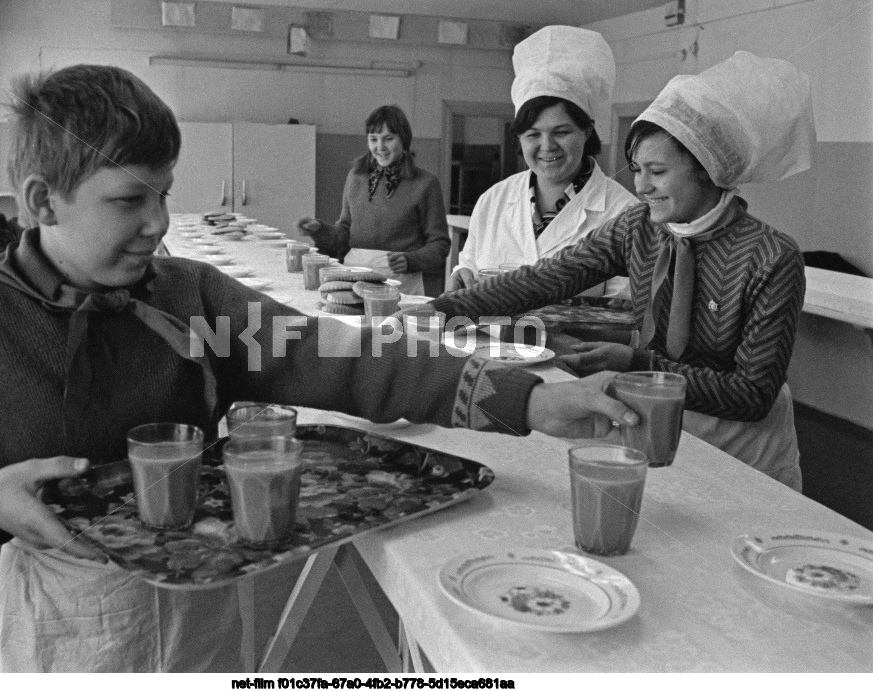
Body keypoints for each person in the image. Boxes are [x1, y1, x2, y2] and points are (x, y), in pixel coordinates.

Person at [0, 65, 636, 672]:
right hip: (67, 635)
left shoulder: (190, 303)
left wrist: (528, 401)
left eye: (164, 194)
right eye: (130, 199)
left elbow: (344, 358)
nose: (159, 223)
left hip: (201, 615)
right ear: (43, 201)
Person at [415, 52, 815, 491]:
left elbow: (750, 395)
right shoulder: (638, 229)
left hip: (744, 448)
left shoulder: (770, 257)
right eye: (638, 170)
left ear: (708, 169)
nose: (641, 187)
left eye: (657, 172)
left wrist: (638, 363)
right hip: (652, 420)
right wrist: (437, 311)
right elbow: (544, 278)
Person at [450, 26, 636, 295]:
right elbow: (468, 268)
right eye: (533, 134)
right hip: (490, 337)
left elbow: (625, 315)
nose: (547, 147)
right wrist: (461, 277)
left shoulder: (624, 214)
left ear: (586, 131)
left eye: (561, 132)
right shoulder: (493, 201)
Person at [297, 105, 450, 296]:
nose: (380, 147)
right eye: (373, 139)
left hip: (401, 283)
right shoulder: (356, 177)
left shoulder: (425, 184)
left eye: (389, 138)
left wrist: (411, 260)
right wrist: (319, 230)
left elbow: (440, 244)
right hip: (353, 279)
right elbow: (343, 234)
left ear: (404, 140)